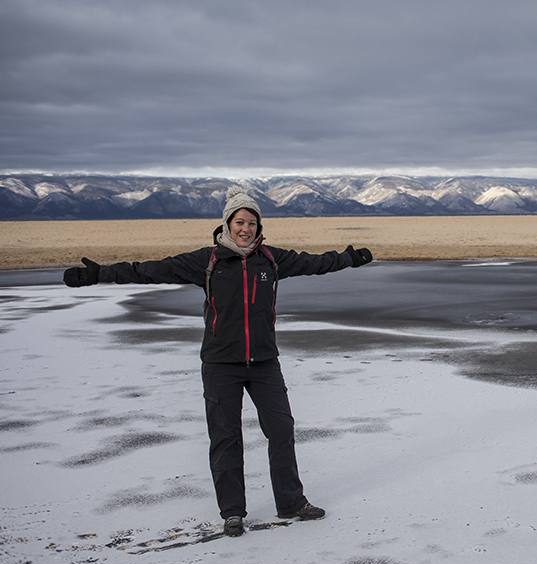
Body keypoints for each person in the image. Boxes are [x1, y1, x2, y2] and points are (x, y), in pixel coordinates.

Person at [64, 186, 373, 537]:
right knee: (225, 436)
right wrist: (99, 274)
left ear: (259, 227)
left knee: (282, 429)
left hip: (263, 362)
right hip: (220, 363)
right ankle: (232, 512)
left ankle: (290, 501)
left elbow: (315, 262)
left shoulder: (271, 260)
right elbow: (149, 270)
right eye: (240, 222)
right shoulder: (207, 261)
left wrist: (349, 257)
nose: (246, 229)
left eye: (252, 223)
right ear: (227, 224)